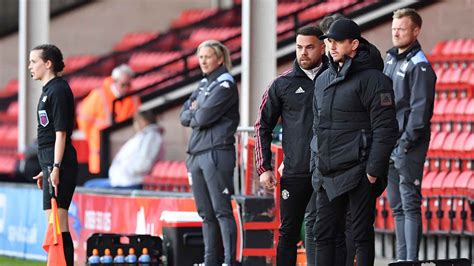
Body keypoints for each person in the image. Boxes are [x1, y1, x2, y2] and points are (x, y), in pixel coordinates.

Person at [311, 19, 398, 266]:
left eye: (337, 41)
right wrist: (315, 167)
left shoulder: (375, 79)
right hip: (327, 173)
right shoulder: (322, 79)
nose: (331, 46)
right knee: (324, 234)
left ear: (354, 44)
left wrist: (372, 172)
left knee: (359, 236)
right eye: (328, 41)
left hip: (359, 173)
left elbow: (386, 129)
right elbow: (317, 128)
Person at [255, 25, 327, 266]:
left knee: (327, 231)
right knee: (288, 232)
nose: (303, 53)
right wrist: (263, 167)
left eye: (309, 47)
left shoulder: (337, 78)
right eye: (299, 47)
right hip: (296, 170)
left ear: (323, 47)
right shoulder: (282, 84)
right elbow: (262, 126)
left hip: (330, 170)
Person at [180, 40, 239, 266]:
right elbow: (183, 115)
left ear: (220, 59)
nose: (202, 61)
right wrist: (195, 113)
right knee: (206, 213)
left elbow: (201, 117)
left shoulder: (225, 84)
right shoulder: (204, 83)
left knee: (222, 211)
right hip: (196, 154)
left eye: (207, 56)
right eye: (200, 56)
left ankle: (228, 261)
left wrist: (196, 113)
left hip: (216, 153)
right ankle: (210, 261)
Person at [384, 8, 436, 262]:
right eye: (394, 28)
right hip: (390, 144)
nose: (396, 32)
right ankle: (401, 259)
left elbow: (419, 112)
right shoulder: (391, 59)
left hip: (408, 148)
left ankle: (410, 261)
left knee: (409, 204)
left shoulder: (420, 65)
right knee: (396, 207)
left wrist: (404, 144)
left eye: (401, 28)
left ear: (415, 31)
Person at [29, 44, 78, 266]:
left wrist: (56, 167)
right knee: (53, 221)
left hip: (59, 164)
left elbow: (61, 133)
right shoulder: (48, 90)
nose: (30, 66)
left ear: (48, 64)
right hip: (50, 163)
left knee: (59, 221)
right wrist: (46, 167)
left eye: (33, 61)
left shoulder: (58, 90)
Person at [77, 64, 139, 174]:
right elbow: (84, 120)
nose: (126, 88)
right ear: (114, 81)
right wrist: (94, 138)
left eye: (128, 85)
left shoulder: (133, 97)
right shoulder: (99, 95)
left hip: (124, 155)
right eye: (123, 84)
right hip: (101, 153)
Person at [83, 110, 163, 189]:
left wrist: (124, 170)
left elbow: (143, 164)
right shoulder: (144, 136)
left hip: (131, 182)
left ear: (144, 121)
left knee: (90, 187)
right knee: (89, 185)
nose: (135, 125)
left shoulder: (151, 137)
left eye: (136, 121)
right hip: (123, 180)